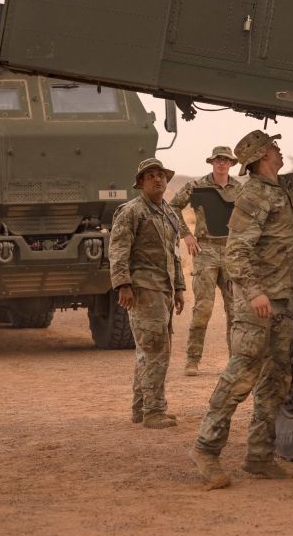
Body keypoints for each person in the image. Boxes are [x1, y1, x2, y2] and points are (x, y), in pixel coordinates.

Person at [190, 122, 293, 488]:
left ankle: (259, 456)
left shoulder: (286, 187)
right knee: (240, 376)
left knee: (276, 379)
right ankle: (205, 449)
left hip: (280, 302)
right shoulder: (252, 197)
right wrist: (254, 292)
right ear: (263, 155)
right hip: (257, 304)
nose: (280, 150)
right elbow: (236, 252)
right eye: (274, 147)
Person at [109, 157, 186, 430]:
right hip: (144, 289)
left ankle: (140, 409)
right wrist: (123, 285)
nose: (157, 179)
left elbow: (174, 253)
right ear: (141, 182)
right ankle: (154, 412)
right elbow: (118, 250)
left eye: (161, 175)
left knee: (148, 349)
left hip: (164, 290)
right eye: (150, 175)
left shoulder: (169, 213)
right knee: (155, 350)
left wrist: (179, 287)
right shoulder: (132, 211)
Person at [169, 146, 242, 376]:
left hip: (231, 251)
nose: (221, 163)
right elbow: (172, 207)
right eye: (218, 160)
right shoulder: (197, 186)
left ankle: (235, 362)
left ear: (231, 164)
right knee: (203, 309)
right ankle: (192, 360)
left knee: (235, 310)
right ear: (212, 162)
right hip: (205, 250)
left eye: (226, 160)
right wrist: (186, 234)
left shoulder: (240, 188)